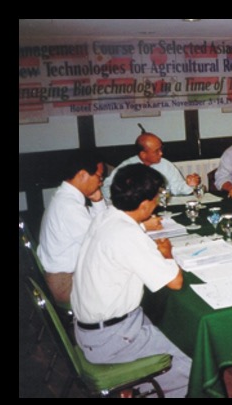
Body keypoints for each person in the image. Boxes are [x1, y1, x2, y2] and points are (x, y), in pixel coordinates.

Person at [71, 163, 191, 398]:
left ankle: (136, 390)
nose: (157, 203)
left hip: (94, 329)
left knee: (171, 329)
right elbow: (175, 282)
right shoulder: (127, 234)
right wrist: (167, 254)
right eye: (157, 199)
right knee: (193, 361)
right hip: (111, 339)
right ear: (145, 205)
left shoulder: (106, 216)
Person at [37, 150, 106, 305]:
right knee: (129, 278)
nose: (101, 183)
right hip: (66, 283)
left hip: (65, 275)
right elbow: (101, 242)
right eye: (99, 177)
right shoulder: (69, 206)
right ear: (82, 175)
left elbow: (98, 226)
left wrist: (98, 201)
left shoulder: (65, 197)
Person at [102, 131, 200, 205]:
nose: (161, 153)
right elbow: (106, 188)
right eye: (156, 151)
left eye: (161, 149)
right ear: (143, 154)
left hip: (162, 207)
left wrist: (189, 185)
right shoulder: (126, 168)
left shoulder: (165, 164)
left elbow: (176, 188)